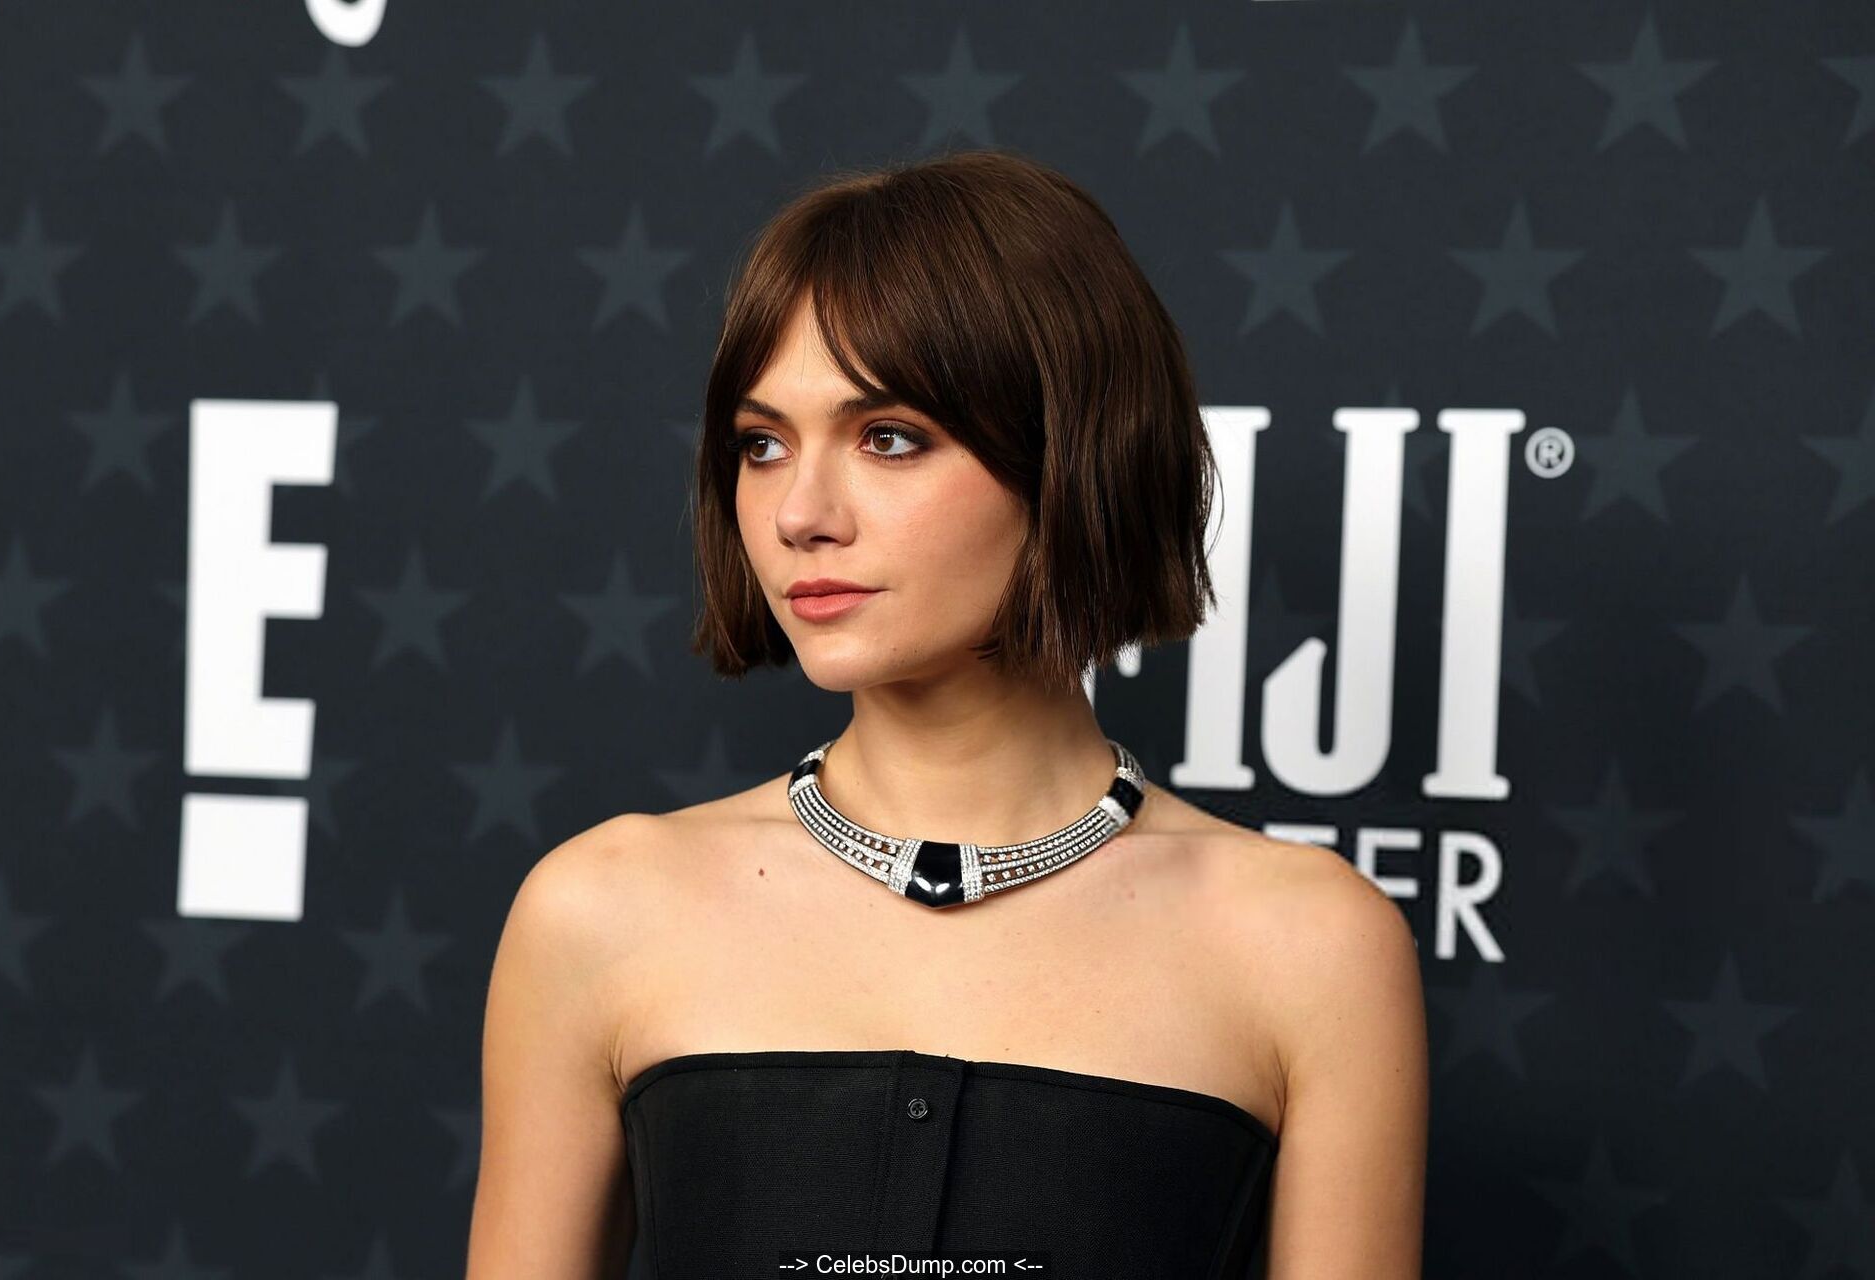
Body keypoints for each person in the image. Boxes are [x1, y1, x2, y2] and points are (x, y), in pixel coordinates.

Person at [466, 147, 1427, 1279]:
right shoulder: (599, 911)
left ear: (1072, 456)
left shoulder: (1309, 945)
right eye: (762, 444)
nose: (800, 513)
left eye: (888, 438)